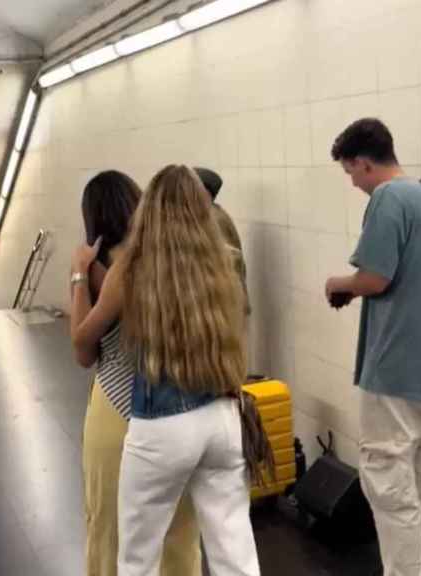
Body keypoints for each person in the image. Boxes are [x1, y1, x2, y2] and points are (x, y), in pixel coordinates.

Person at [70, 165, 261, 576]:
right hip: (222, 415)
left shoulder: (136, 267)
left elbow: (83, 345)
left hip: (159, 422)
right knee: (231, 549)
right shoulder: (221, 261)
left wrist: (79, 274)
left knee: (136, 554)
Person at [324, 118, 421, 576]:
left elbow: (376, 277)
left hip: (399, 371)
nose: (353, 183)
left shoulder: (389, 198)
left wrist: (339, 284)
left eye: (351, 173)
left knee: (389, 487)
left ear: (365, 163)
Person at [73, 170, 202, 576]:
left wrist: (78, 275)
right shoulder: (175, 258)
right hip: (181, 409)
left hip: (117, 411)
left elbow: (83, 350)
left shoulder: (102, 270)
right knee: (179, 532)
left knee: (111, 528)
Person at [194, 167, 249, 315]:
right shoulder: (206, 216)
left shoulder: (214, 219)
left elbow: (231, 264)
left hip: (224, 307)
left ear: (204, 193)